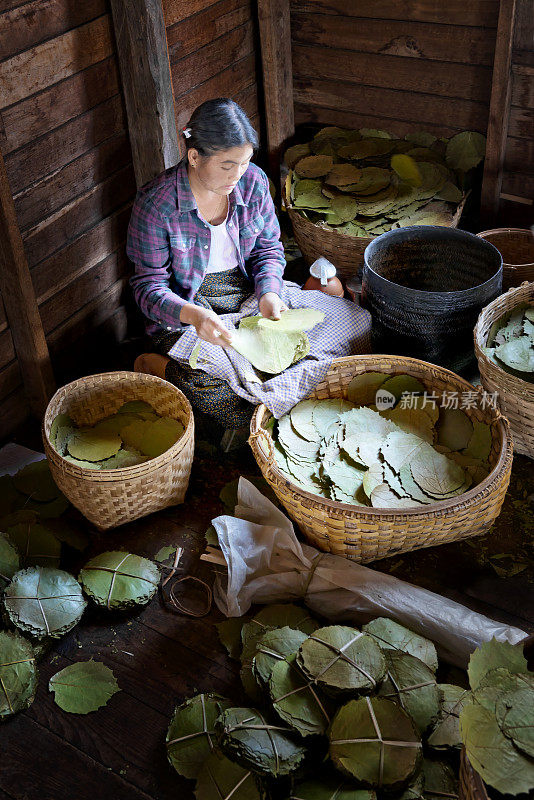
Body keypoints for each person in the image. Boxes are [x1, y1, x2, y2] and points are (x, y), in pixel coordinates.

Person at [127, 98, 288, 428]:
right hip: (188, 307)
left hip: (244, 291)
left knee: (331, 334)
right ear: (195, 156)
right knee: (213, 384)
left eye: (243, 163)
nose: (238, 175)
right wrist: (195, 315)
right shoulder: (156, 205)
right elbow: (148, 288)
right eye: (227, 166)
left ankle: (259, 415)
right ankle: (163, 367)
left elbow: (268, 250)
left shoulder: (253, 182)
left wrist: (269, 292)